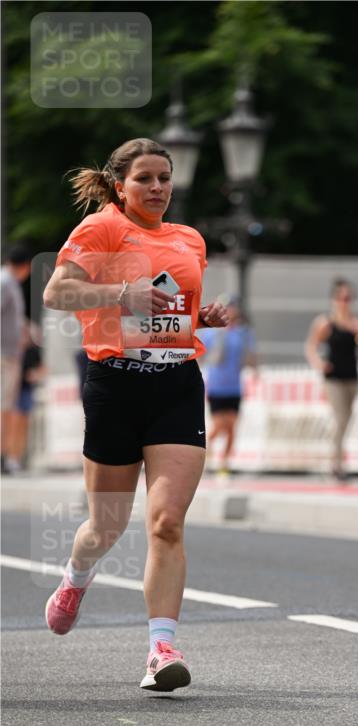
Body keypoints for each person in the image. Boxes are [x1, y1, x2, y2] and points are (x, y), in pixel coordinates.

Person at [42, 137, 227, 693]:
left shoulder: (189, 239)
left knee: (167, 522)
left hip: (175, 383)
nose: (157, 188)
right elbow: (56, 293)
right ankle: (76, 578)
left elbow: (174, 310)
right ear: (120, 186)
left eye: (165, 178)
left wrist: (204, 320)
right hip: (114, 386)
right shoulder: (102, 228)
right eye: (145, 179)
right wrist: (120, 294)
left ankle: (161, 648)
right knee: (106, 526)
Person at [305, 278, 358, 481]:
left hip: (352, 375)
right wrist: (319, 363)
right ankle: (337, 463)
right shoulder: (325, 322)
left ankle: (338, 458)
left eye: (348, 298)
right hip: (333, 376)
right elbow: (311, 347)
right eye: (342, 298)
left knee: (347, 418)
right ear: (334, 299)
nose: (345, 302)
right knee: (340, 418)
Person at [200, 294, 258, 475]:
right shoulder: (212, 332)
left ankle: (224, 463)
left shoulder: (243, 333)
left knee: (232, 427)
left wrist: (255, 369)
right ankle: (204, 456)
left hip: (234, 386)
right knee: (218, 426)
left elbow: (251, 356)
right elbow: (201, 354)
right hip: (216, 386)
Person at [1, 243, 32, 474]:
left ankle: (5, 455)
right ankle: (3, 456)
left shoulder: (10, 284)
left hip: (10, 355)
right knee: (4, 408)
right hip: (3, 355)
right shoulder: (4, 283)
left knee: (7, 408)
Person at [5, 323, 46, 473]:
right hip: (11, 392)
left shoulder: (33, 351)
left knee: (22, 425)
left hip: (25, 391)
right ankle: (9, 458)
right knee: (11, 425)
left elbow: (42, 368)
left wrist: (35, 375)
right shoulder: (12, 351)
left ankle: (15, 458)